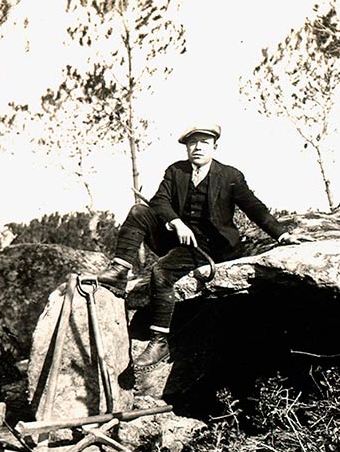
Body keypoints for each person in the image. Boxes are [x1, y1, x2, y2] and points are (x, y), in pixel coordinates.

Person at [98, 123, 311, 372]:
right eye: (192, 143)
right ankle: (119, 270)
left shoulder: (230, 176)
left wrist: (282, 236)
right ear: (186, 147)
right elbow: (159, 201)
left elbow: (255, 209)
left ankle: (159, 341)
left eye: (204, 142)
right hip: (180, 238)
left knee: (161, 272)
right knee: (138, 212)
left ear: (214, 147)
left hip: (212, 247)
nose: (197, 147)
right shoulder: (175, 171)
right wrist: (176, 222)